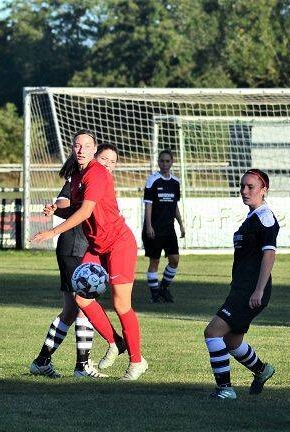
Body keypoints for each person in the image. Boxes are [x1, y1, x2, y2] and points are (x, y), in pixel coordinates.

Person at [32, 132, 145, 381]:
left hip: (118, 243)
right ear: (73, 149)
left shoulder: (97, 173)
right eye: (77, 145)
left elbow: (85, 211)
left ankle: (137, 361)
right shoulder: (77, 176)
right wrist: (57, 210)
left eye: (86, 146)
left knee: (121, 304)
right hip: (96, 245)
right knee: (82, 299)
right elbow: (76, 208)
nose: (81, 150)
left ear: (94, 150)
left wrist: (52, 231)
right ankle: (116, 342)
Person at [203, 169, 278, 400]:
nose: (244, 191)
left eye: (250, 187)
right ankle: (262, 370)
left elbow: (269, 254)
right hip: (242, 288)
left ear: (264, 190)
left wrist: (259, 289)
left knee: (213, 332)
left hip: (250, 290)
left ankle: (225, 389)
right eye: (242, 186)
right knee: (232, 342)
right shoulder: (253, 217)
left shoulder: (265, 217)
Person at [29, 154, 104, 379]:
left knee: (71, 310)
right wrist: (59, 207)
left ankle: (42, 361)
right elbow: (62, 202)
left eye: (112, 161)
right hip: (73, 247)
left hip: (86, 248)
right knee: (84, 305)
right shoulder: (79, 180)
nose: (107, 164)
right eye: (104, 159)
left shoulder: (102, 183)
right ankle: (82, 366)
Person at [143, 149, 185, 302]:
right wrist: (149, 226)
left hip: (169, 229)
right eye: (162, 161)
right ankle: (155, 294)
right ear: (158, 162)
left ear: (172, 162)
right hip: (154, 229)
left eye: (168, 161)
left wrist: (181, 225)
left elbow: (175, 206)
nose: (165, 164)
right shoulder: (152, 180)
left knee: (174, 260)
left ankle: (164, 288)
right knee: (154, 261)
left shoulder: (175, 182)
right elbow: (148, 205)